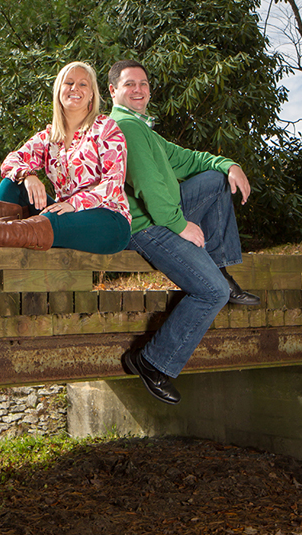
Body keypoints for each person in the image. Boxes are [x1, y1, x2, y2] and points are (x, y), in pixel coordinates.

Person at [108, 59, 259, 405]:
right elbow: (146, 185)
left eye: (144, 84)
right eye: (130, 84)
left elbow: (189, 160)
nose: (139, 90)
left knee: (215, 179)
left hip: (164, 214)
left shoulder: (143, 129)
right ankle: (150, 361)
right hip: (146, 226)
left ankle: (218, 264)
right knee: (211, 293)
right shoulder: (123, 126)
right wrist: (179, 225)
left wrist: (229, 164)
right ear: (113, 91)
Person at [0, 61, 132, 252]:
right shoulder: (49, 137)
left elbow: (113, 184)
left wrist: (73, 204)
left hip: (109, 221)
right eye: (68, 83)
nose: (75, 88)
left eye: (83, 84)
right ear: (58, 91)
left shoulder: (106, 128)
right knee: (12, 185)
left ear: (91, 94)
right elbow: (9, 163)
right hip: (62, 215)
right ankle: (6, 248)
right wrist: (28, 175)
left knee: (54, 218)